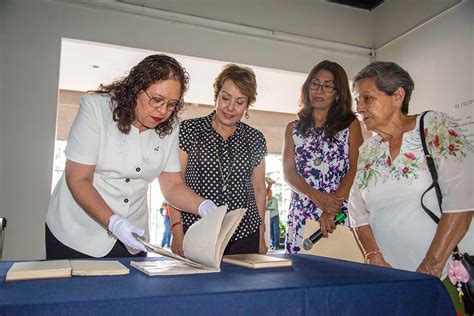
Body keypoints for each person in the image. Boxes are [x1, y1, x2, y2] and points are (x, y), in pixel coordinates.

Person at [45, 54, 217, 259]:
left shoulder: (171, 128)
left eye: (171, 104)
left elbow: (172, 185)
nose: (163, 111)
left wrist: (203, 206)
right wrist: (114, 222)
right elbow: (78, 178)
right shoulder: (96, 109)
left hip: (133, 238)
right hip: (77, 232)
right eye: (157, 100)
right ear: (136, 89)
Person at [349, 61, 473, 313]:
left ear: (397, 96)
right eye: (356, 100)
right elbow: (357, 212)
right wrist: (373, 254)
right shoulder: (368, 150)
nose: (359, 107)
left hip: (443, 275)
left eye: (367, 97)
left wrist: (430, 269)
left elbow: (462, 201)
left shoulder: (434, 126)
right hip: (393, 281)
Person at [169, 64, 268, 256]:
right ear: (216, 96)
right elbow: (174, 184)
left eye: (240, 102)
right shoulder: (189, 130)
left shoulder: (255, 138)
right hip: (196, 230)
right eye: (225, 98)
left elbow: (259, 188)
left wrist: (261, 235)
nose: (230, 108)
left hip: (244, 233)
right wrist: (177, 231)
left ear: (247, 105)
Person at [282, 60, 363, 253]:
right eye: (315, 84)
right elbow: (288, 172)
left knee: (338, 274)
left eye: (328, 86)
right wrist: (316, 197)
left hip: (336, 216)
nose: (319, 90)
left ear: (337, 94)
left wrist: (330, 208)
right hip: (302, 212)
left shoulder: (350, 125)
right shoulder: (293, 128)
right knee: (299, 276)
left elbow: (356, 167)